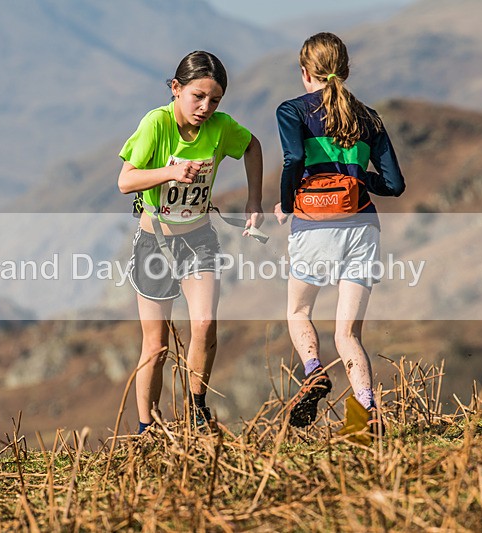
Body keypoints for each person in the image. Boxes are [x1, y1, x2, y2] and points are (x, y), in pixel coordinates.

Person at [118, 50, 263, 433]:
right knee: (157, 346)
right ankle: (146, 429)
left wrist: (253, 201)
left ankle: (196, 411)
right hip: (155, 244)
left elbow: (252, 146)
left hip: (198, 238)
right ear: (176, 88)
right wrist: (170, 172)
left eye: (214, 100)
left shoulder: (220, 127)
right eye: (197, 96)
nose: (205, 107)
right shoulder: (156, 124)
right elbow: (125, 181)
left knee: (205, 322)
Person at [274, 33, 405, 429]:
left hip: (315, 224)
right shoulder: (370, 117)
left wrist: (286, 201)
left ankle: (313, 370)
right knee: (348, 334)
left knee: (298, 310)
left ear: (304, 72)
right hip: (363, 225)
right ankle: (365, 418)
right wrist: (361, 180)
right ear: (345, 70)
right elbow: (395, 184)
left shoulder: (292, 111)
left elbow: (294, 157)